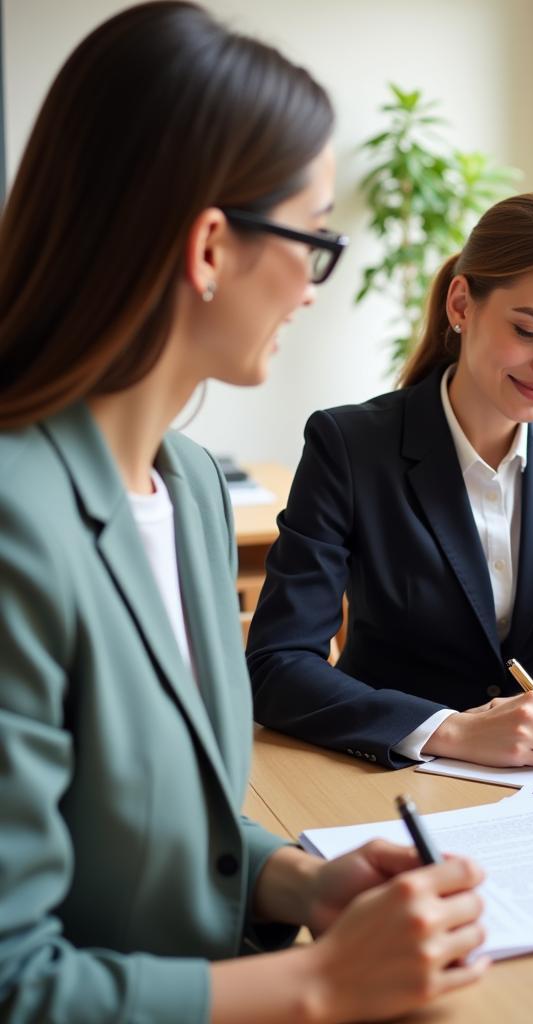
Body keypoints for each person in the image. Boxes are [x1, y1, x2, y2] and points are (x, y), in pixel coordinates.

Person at [0, 4, 487, 1022]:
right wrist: (317, 981)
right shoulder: (16, 528)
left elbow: (162, 819)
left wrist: (300, 882)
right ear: (211, 247)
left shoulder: (185, 488)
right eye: (313, 238)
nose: (313, 286)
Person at [247, 192, 533, 769]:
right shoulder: (350, 446)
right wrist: (449, 731)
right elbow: (278, 664)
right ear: (461, 303)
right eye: (529, 331)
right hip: (389, 771)